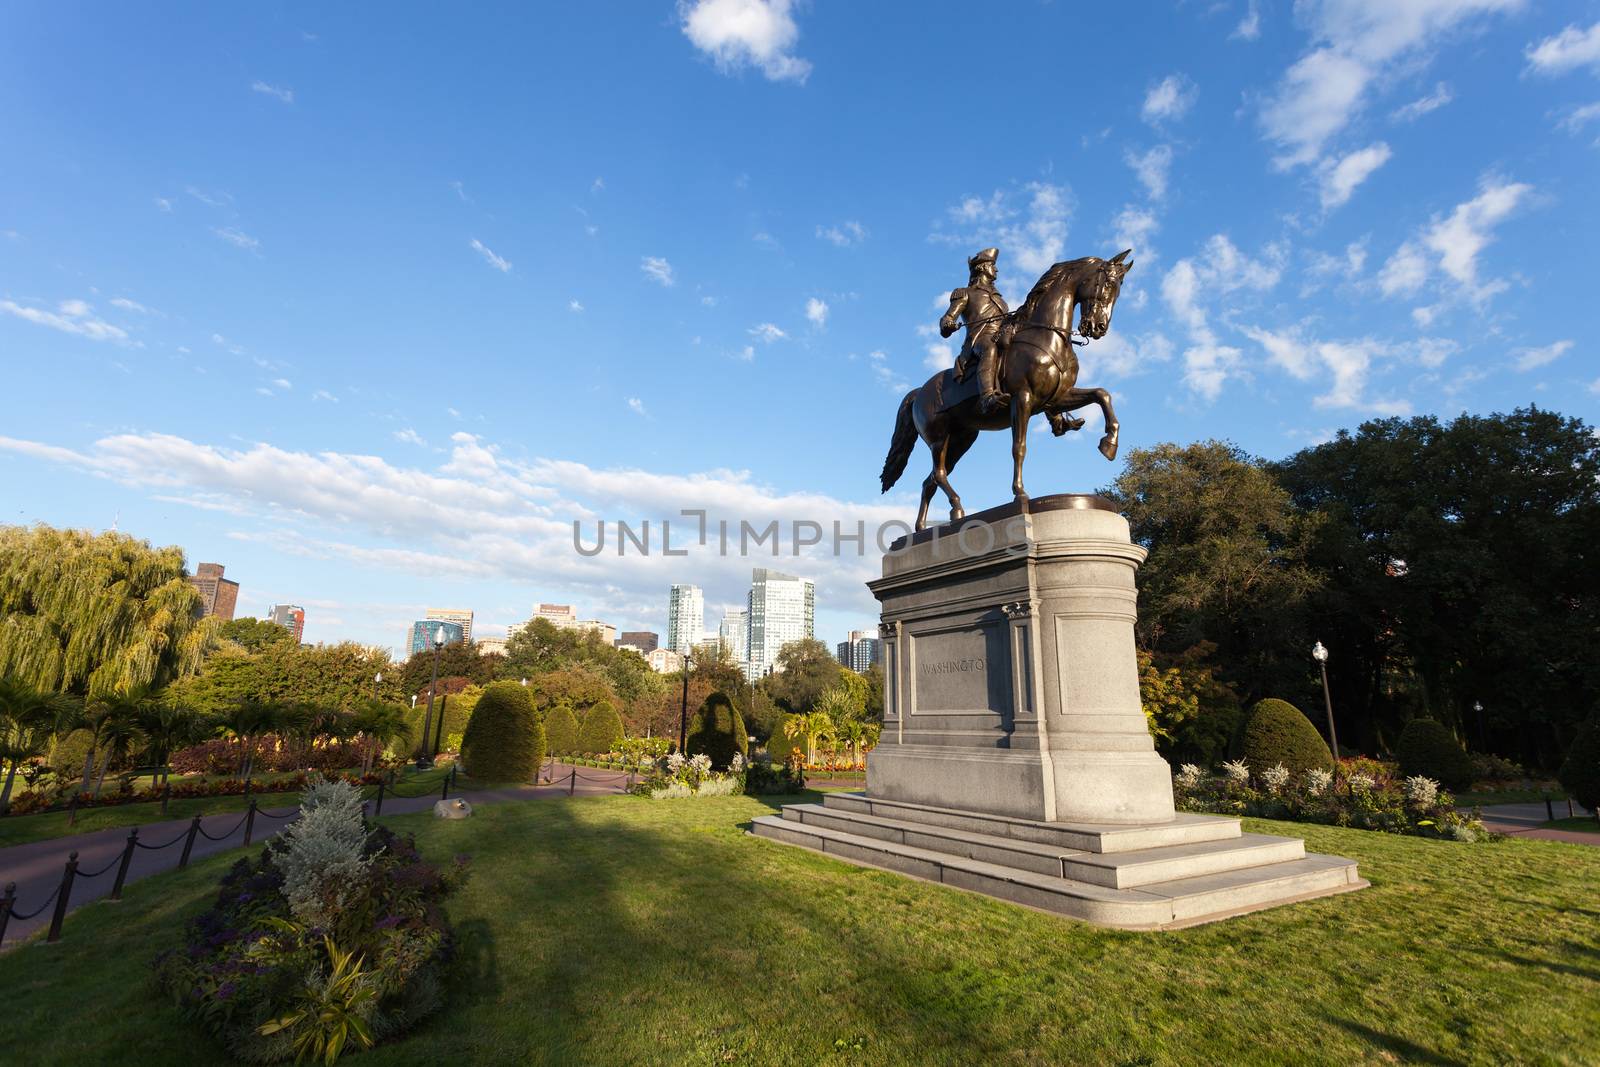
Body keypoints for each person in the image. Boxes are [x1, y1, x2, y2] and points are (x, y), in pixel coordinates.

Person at [941, 247, 1010, 415]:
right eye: (992, 265)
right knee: (989, 348)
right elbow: (947, 319)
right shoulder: (965, 293)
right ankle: (987, 397)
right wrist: (949, 324)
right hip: (979, 339)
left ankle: (1055, 416)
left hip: (1001, 336)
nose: (996, 269)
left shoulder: (1000, 299)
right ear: (982, 268)